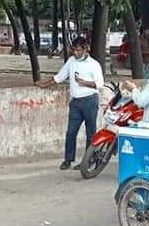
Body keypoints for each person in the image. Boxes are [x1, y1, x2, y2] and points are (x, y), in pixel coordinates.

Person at [37, 36, 105, 170]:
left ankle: (88, 160)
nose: (76, 53)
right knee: (71, 132)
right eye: (74, 50)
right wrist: (44, 84)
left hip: (90, 100)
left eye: (79, 50)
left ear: (86, 49)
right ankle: (68, 159)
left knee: (90, 132)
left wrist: (84, 82)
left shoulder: (94, 64)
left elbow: (100, 84)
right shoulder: (71, 62)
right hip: (75, 103)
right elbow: (59, 77)